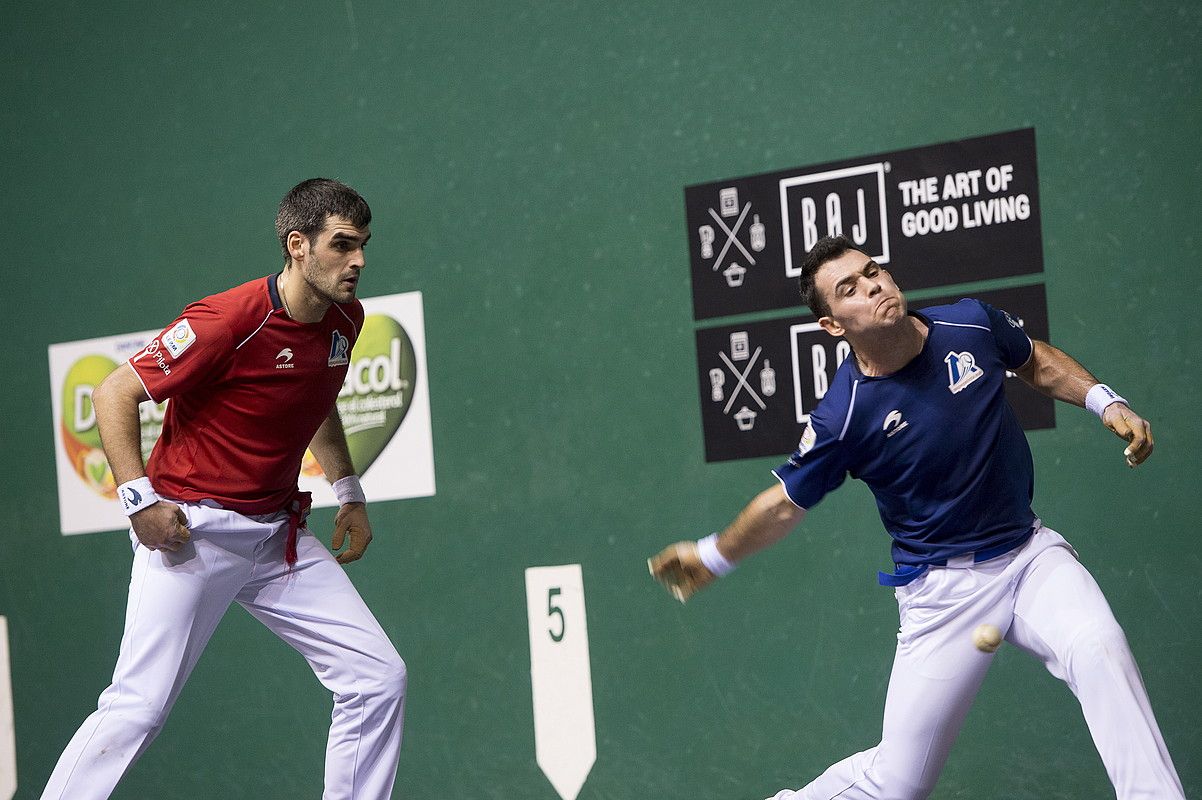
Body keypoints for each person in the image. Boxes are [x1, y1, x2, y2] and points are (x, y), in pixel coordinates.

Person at [649, 235, 1184, 800]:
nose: (873, 285)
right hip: (941, 592)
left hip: (1029, 556)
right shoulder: (845, 415)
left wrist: (1105, 400)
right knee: (896, 786)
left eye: (872, 270)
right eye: (849, 290)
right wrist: (712, 555)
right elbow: (783, 504)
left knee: (1099, 645)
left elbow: (1034, 360)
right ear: (835, 326)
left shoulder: (970, 325)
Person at [42, 178, 407, 800]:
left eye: (364, 245)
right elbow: (113, 392)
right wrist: (139, 501)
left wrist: (349, 490)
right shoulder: (226, 321)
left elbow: (317, 399)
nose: (359, 262)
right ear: (298, 245)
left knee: (378, 678)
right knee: (139, 705)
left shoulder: (347, 318)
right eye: (343, 245)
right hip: (193, 534)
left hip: (275, 539)